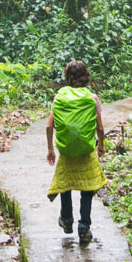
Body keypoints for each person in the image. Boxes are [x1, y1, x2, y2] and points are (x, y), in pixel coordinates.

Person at [46, 59, 106, 244]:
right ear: (86, 77)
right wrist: (101, 145)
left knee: (65, 184)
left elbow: (49, 126)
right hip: (86, 151)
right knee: (87, 190)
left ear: (67, 77)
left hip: (66, 152)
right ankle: (84, 226)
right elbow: (100, 127)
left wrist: (50, 149)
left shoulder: (59, 97)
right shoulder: (92, 98)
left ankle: (66, 219)